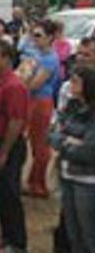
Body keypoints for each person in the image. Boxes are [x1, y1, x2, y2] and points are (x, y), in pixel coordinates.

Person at [0, 39, 28, 253]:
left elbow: (16, 121)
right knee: (0, 194)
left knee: (10, 193)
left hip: (8, 143)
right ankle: (7, 236)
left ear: (6, 59)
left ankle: (18, 242)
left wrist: (4, 152)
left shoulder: (14, 85)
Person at [50, 66, 95, 253]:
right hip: (67, 176)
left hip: (88, 181)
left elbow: (89, 152)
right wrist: (69, 141)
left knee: (88, 234)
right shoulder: (71, 105)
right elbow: (52, 134)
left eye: (76, 81)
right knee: (72, 232)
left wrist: (63, 140)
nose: (70, 85)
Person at [22, 19, 62, 198]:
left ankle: (38, 184)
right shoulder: (36, 54)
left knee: (41, 146)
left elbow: (35, 83)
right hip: (33, 101)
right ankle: (33, 181)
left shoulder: (50, 58)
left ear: (50, 37)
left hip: (41, 102)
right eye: (33, 35)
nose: (34, 39)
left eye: (38, 36)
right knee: (33, 144)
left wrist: (23, 80)